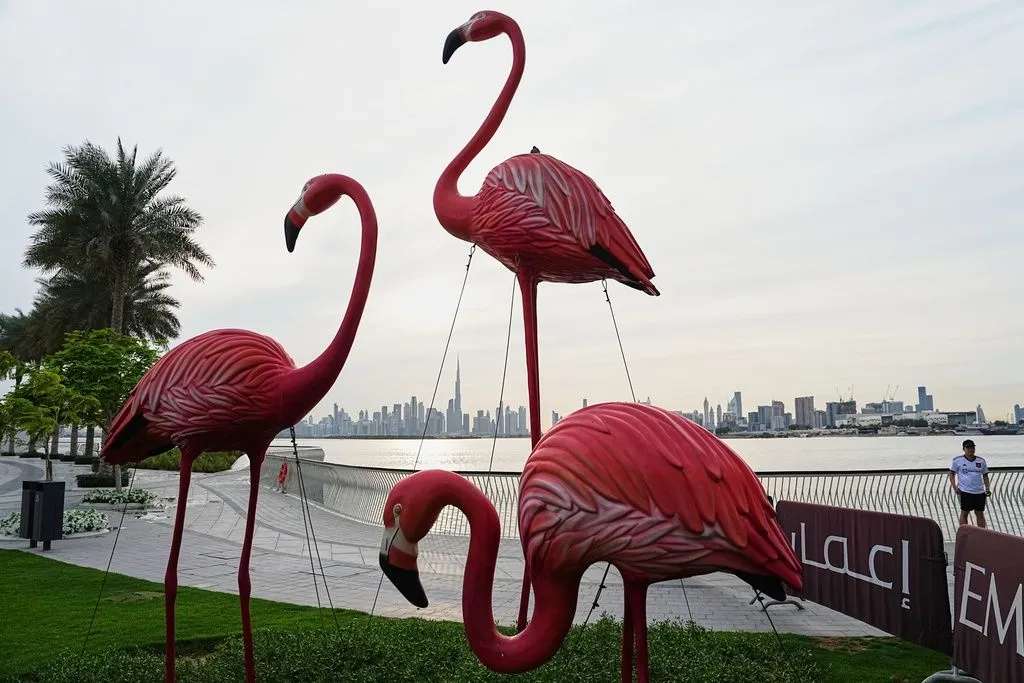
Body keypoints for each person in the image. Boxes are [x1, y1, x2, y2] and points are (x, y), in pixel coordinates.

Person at [948, 439, 991, 528]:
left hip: (979, 492)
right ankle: (964, 533)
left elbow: (985, 475)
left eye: (972, 447)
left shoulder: (981, 461)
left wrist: (987, 488)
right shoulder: (957, 460)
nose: (971, 449)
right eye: (968, 447)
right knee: (964, 513)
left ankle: (981, 533)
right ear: (963, 449)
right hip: (965, 491)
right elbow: (952, 474)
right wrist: (954, 487)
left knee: (980, 513)